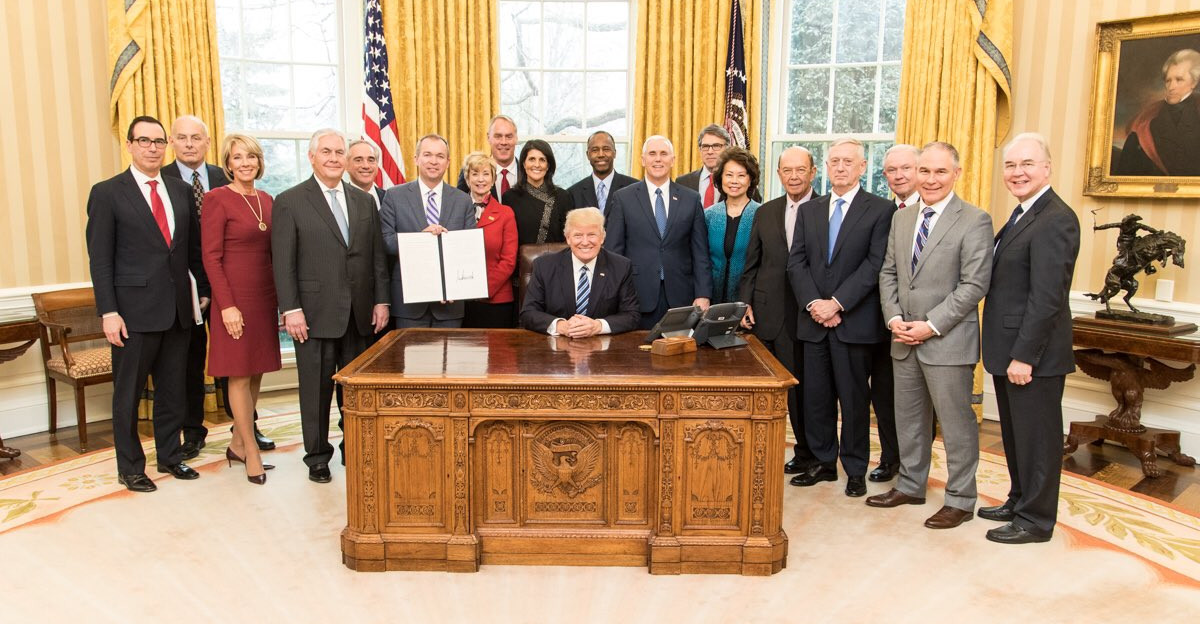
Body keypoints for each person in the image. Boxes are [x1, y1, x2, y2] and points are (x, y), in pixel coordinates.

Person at [868, 141, 993, 530]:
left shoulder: (974, 220)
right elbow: (889, 272)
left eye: (940, 171)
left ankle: (960, 499)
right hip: (903, 338)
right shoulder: (902, 218)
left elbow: (974, 284)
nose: (931, 179)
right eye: (924, 171)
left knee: (956, 425)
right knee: (908, 420)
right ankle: (910, 485)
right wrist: (894, 319)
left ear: (956, 174)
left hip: (947, 340)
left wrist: (931, 324)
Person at [86, 115, 209, 492]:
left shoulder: (179, 190)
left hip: (177, 311)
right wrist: (109, 312)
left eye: (158, 142)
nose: (152, 148)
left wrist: (202, 291)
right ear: (129, 145)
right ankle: (130, 468)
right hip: (132, 314)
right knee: (128, 395)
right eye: (144, 141)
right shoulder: (108, 193)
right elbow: (100, 260)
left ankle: (170, 456)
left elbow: (191, 249)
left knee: (173, 391)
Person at [272, 128, 390, 483]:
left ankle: (353, 446)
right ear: (312, 157)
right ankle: (317, 456)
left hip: (359, 312)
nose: (334, 158)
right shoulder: (290, 201)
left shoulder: (363, 201)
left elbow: (376, 257)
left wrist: (381, 300)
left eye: (340, 152)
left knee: (354, 389)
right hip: (313, 313)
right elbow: (283, 262)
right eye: (326, 152)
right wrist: (290, 309)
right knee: (316, 390)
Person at [981, 132, 1080, 544]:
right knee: (1017, 434)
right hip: (1008, 349)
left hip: (1032, 355)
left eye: (1026, 164)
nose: (1017, 172)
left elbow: (1047, 298)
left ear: (1047, 168)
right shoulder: (1023, 213)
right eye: (1010, 165)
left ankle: (1035, 521)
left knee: (1038, 440)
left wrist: (1025, 356)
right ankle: (1019, 499)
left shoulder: (1056, 219)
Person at [786, 138, 892, 498]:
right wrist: (814, 304)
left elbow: (874, 265)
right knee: (816, 398)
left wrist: (837, 303)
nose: (841, 167)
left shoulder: (880, 210)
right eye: (835, 161)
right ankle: (823, 463)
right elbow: (796, 262)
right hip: (813, 322)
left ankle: (856, 468)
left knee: (853, 400)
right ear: (826, 167)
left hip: (854, 323)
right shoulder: (809, 210)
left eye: (849, 161)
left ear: (863, 167)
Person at [201, 134, 281, 485]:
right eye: (237, 157)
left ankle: (236, 443)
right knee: (239, 374)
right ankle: (251, 450)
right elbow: (211, 257)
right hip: (234, 298)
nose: (245, 163)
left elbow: (274, 253)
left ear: (259, 161)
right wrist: (227, 306)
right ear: (228, 163)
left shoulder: (267, 200)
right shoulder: (217, 198)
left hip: (264, 297)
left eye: (251, 156)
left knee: (257, 370)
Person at [739, 146, 817, 475]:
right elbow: (752, 263)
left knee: (805, 393)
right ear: (779, 174)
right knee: (765, 393)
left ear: (813, 173)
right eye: (787, 170)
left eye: (800, 170)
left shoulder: (824, 209)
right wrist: (745, 302)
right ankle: (767, 454)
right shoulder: (766, 211)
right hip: (765, 314)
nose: (794, 176)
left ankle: (810, 453)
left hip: (806, 316)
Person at [161, 114, 225, 459]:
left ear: (207, 142)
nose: (189, 144)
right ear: (172, 142)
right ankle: (193, 431)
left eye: (196, 138)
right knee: (189, 361)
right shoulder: (161, 179)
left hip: (227, 283)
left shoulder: (225, 176)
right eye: (182, 138)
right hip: (187, 287)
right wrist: (198, 287)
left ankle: (246, 426)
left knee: (235, 360)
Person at [605, 135, 712, 328]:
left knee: (680, 347)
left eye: (664, 154)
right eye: (652, 154)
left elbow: (700, 252)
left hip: (682, 296)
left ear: (673, 160)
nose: (658, 159)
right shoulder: (623, 198)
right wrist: (614, 295)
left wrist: (703, 294)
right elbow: (613, 252)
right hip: (636, 294)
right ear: (643, 159)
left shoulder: (691, 198)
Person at [381, 134, 475, 327]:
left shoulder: (463, 200)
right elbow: (385, 241)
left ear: (448, 162)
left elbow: (469, 249)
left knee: (450, 349)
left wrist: (456, 287)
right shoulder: (394, 196)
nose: (434, 161)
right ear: (416, 159)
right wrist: (419, 241)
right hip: (409, 303)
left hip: (450, 303)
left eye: (440, 156)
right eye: (427, 155)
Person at [868, 143, 922, 483]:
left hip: (923, 324)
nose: (898, 175)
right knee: (885, 394)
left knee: (919, 400)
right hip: (883, 321)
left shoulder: (933, 211)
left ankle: (916, 465)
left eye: (906, 168)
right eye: (891, 170)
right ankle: (891, 458)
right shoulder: (882, 212)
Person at [520, 207, 640, 335]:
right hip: (556, 343)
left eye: (592, 235)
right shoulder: (544, 266)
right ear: (568, 238)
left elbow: (632, 315)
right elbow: (528, 313)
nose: (585, 242)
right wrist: (561, 326)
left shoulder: (621, 266)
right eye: (578, 235)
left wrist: (598, 326)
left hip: (603, 343)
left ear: (602, 237)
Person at [1114, 49, 1200, 176]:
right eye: (1168, 80)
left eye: (1179, 80)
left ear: (1194, 82)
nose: (1171, 87)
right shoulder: (1145, 120)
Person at [461, 151, 519, 328]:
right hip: (461, 299)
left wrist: (483, 287)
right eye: (475, 174)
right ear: (467, 178)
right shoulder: (455, 210)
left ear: (493, 179)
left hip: (496, 300)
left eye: (486, 174)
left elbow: (509, 260)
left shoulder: (506, 213)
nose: (481, 179)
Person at [704, 147, 760, 304]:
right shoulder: (708, 215)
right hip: (711, 301)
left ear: (750, 179)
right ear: (720, 178)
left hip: (750, 302)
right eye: (729, 175)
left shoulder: (761, 215)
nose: (734, 181)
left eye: (741, 175)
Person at [505, 139, 574, 246]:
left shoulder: (563, 197)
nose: (537, 165)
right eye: (532, 159)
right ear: (524, 164)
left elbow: (570, 237)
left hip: (557, 256)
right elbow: (507, 240)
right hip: (521, 257)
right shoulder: (510, 197)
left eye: (542, 160)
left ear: (548, 165)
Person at [567, 130, 637, 217]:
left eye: (606, 149)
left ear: (614, 153)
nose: (601, 154)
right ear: (588, 155)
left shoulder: (634, 188)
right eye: (595, 150)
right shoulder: (573, 193)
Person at [457, 114, 519, 202]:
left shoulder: (527, 173)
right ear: (488, 137)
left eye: (509, 137)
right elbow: (459, 204)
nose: (503, 142)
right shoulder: (469, 172)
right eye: (498, 136)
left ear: (516, 138)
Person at [347, 139, 387, 209]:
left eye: (371, 160)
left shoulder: (389, 198)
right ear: (346, 165)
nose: (366, 166)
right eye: (358, 160)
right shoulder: (340, 199)